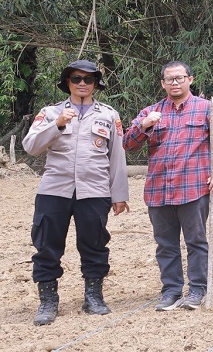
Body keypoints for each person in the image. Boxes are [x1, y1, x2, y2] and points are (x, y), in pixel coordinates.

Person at [25, 60, 129, 325]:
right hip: (54, 189)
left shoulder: (109, 115)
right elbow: (30, 146)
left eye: (88, 79)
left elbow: (117, 157)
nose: (82, 83)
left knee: (95, 244)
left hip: (94, 190)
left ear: (96, 84)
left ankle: (93, 296)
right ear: (67, 82)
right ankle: (48, 301)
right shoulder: (50, 112)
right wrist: (57, 124)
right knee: (46, 244)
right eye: (76, 78)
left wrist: (119, 194)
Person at [125, 61, 213, 311]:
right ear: (162, 83)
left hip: (194, 188)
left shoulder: (207, 109)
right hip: (158, 189)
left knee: (196, 241)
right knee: (165, 244)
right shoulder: (151, 112)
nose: (175, 83)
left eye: (179, 78)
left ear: (190, 80)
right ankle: (171, 291)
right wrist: (144, 125)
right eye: (169, 79)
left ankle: (197, 289)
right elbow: (127, 144)